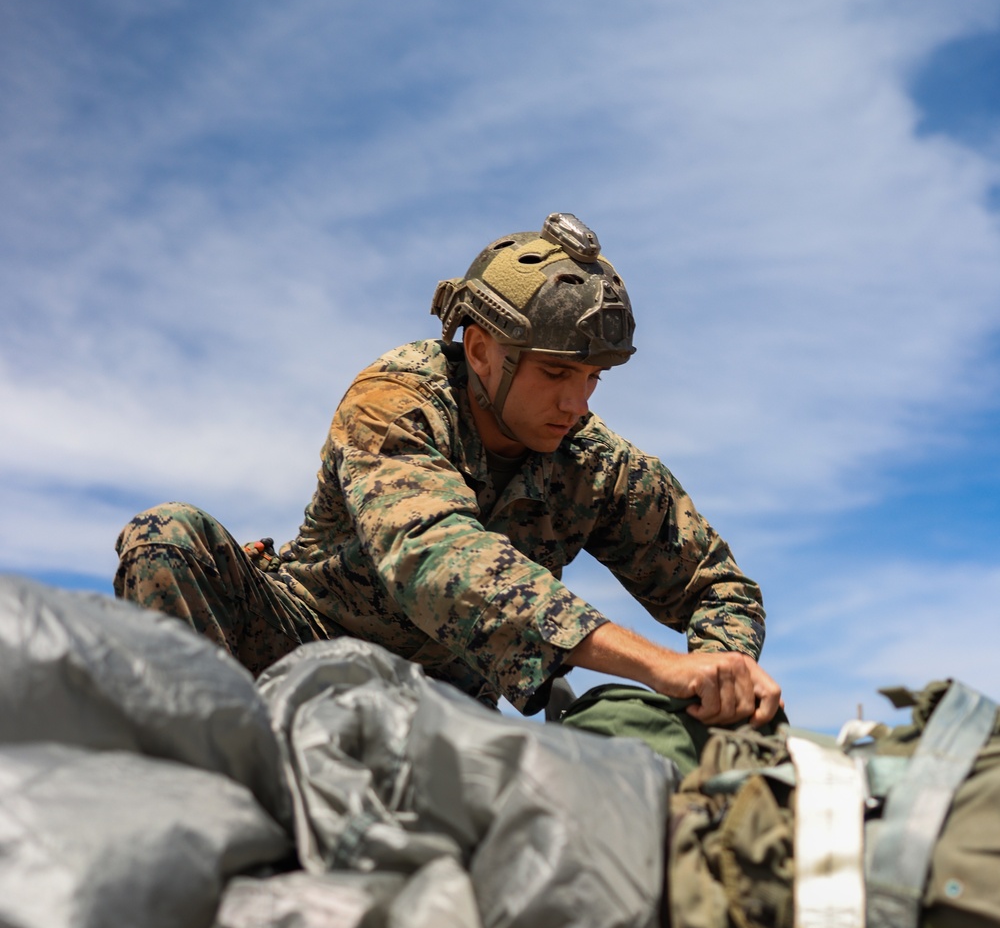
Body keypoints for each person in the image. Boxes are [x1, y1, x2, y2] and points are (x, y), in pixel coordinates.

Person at [115, 212, 781, 725]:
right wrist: (659, 666)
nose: (577, 402)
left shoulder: (594, 464)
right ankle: (207, 780)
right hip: (303, 641)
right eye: (555, 372)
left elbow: (715, 585)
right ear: (482, 350)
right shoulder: (394, 400)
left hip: (441, 703)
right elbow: (438, 557)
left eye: (593, 377)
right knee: (166, 537)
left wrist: (720, 673)